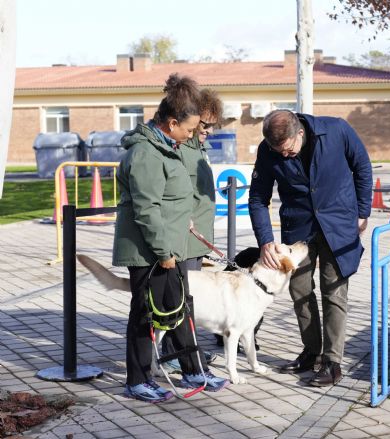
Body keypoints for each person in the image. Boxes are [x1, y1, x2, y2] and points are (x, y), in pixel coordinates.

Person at [113, 74, 228, 403]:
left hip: (171, 247)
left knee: (179, 310)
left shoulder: (167, 146)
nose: (193, 136)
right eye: (190, 129)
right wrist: (165, 252)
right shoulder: (147, 154)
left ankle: (193, 369)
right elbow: (147, 209)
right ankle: (138, 380)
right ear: (172, 122)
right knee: (145, 315)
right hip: (149, 251)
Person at [248, 110, 372, 387]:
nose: (285, 156)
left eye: (289, 150)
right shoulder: (269, 151)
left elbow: (362, 166)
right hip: (298, 228)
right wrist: (266, 240)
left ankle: (332, 361)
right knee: (299, 289)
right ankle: (311, 350)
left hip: (338, 223)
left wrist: (363, 211)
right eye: (278, 151)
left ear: (300, 133)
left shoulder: (337, 129)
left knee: (334, 291)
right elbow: (258, 196)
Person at [161, 88, 225, 373]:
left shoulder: (199, 148)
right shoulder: (178, 148)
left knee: (190, 299)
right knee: (180, 300)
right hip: (183, 239)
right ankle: (177, 356)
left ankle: (187, 351)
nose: (209, 131)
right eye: (205, 125)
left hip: (197, 239)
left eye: (212, 125)